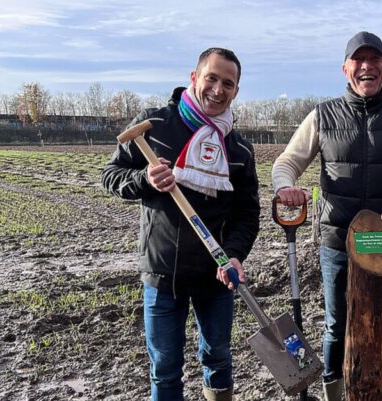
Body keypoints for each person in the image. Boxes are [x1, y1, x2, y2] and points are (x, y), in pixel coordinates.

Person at [271, 31, 382, 401]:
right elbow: (287, 162)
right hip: (336, 240)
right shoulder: (323, 115)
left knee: (380, 322)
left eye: (374, 59)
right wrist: (285, 187)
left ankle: (376, 391)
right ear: (345, 69)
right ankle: (334, 392)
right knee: (336, 323)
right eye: (358, 60)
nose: (366, 67)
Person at [101, 48, 260, 401]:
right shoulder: (154, 127)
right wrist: (145, 179)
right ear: (194, 77)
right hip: (162, 272)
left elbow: (247, 215)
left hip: (216, 276)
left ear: (236, 91)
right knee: (165, 369)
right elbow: (110, 177)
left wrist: (234, 255)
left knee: (218, 359)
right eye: (212, 78)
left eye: (228, 84)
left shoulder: (238, 150)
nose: (218, 90)